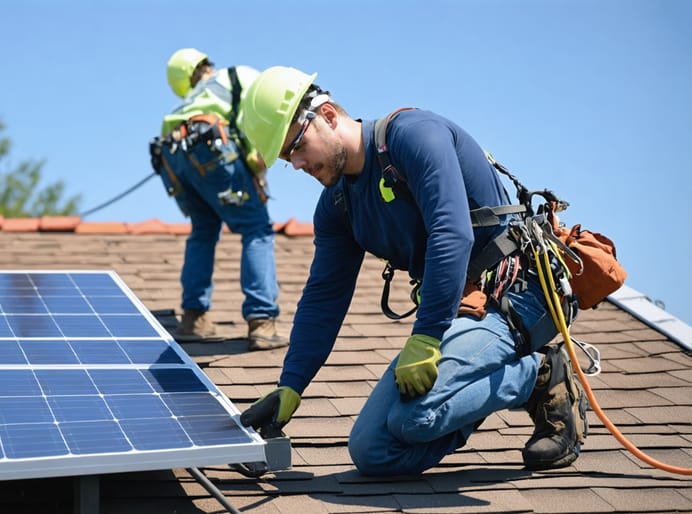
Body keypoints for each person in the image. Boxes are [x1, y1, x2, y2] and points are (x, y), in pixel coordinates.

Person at [237, 66, 588, 474]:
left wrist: (425, 337)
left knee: (411, 419)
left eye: (296, 145)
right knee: (372, 450)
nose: (296, 163)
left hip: (518, 297)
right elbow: (324, 297)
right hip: (461, 308)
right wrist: (291, 386)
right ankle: (493, 380)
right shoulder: (338, 205)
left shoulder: (413, 135)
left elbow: (451, 234)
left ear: (328, 115)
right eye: (285, 158)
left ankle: (541, 376)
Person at [150, 48, 287, 351]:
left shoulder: (186, 103)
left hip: (174, 160)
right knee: (257, 228)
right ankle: (262, 321)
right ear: (204, 64)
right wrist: (258, 165)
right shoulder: (238, 76)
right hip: (211, 148)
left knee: (203, 229)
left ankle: (193, 319)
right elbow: (253, 122)